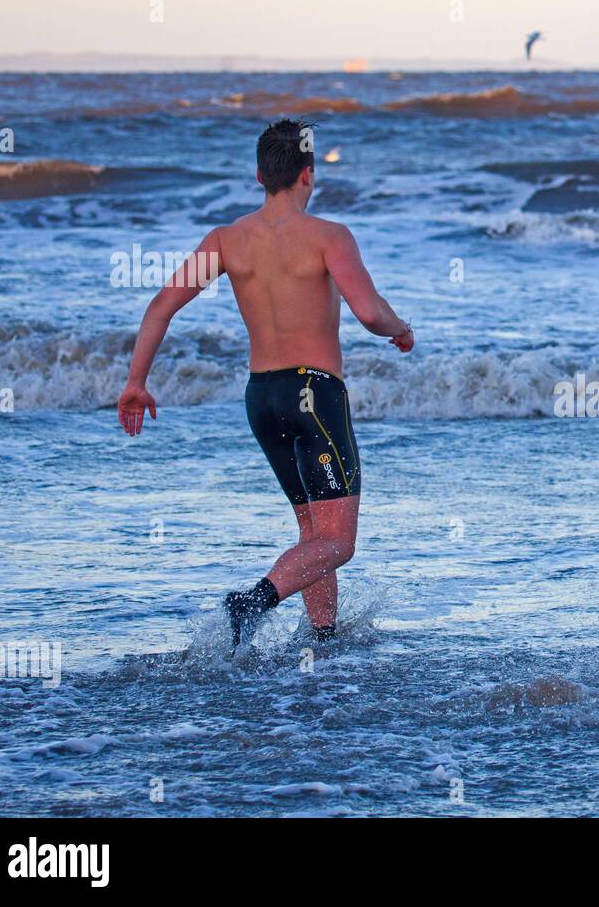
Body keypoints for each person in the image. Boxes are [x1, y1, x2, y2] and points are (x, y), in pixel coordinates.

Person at [117, 119, 414, 649]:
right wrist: (401, 329)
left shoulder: (227, 240)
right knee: (339, 543)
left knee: (313, 531)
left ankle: (322, 637)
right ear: (309, 174)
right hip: (315, 395)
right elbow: (369, 313)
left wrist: (136, 382)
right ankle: (253, 601)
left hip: (261, 397)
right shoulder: (329, 236)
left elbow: (161, 306)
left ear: (259, 175)